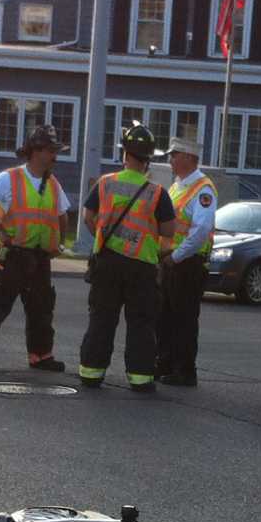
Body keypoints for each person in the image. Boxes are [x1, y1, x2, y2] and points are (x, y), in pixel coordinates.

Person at [0, 124, 72, 372]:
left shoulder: (53, 184)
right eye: (51, 150)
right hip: (11, 256)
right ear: (36, 151)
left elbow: (62, 215)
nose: (55, 156)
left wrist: (59, 242)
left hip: (39, 258)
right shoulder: (9, 178)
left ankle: (41, 356)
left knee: (41, 310)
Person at [77, 122, 176, 393]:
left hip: (106, 262)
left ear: (125, 155)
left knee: (101, 318)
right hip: (141, 267)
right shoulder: (157, 193)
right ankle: (140, 378)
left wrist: (105, 235)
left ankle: (91, 373)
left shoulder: (106, 184)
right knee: (141, 323)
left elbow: (88, 218)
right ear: (148, 160)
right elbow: (169, 230)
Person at [154, 134, 216, 387]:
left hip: (187, 264)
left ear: (189, 158)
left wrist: (176, 257)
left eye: (174, 155)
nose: (170, 159)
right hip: (171, 262)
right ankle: (166, 363)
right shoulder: (178, 184)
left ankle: (184, 370)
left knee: (184, 319)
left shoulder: (203, 189)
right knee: (165, 316)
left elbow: (201, 230)